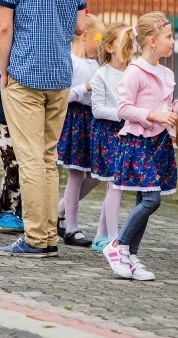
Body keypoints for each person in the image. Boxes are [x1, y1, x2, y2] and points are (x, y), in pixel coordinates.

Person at [0, 0, 87, 258]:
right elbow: (80, 27)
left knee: (30, 157)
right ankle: (47, 237)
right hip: (60, 75)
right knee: (48, 157)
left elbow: (4, 26)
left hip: (24, 72)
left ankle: (35, 238)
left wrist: (3, 70)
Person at [102, 11, 178, 280]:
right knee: (152, 200)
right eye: (169, 37)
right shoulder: (134, 71)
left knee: (145, 198)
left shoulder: (166, 72)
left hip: (159, 143)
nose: (173, 42)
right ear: (152, 41)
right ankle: (118, 245)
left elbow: (168, 107)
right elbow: (123, 108)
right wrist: (153, 115)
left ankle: (130, 255)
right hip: (138, 143)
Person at [56, 13, 104, 247]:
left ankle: (58, 211)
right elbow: (63, 96)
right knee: (76, 175)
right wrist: (86, 87)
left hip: (91, 120)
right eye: (98, 39)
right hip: (74, 119)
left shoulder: (95, 64)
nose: (100, 46)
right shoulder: (70, 61)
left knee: (96, 175)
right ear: (84, 36)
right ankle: (71, 228)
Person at [88, 21, 133, 252]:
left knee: (115, 185)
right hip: (108, 132)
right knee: (115, 183)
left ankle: (101, 236)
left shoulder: (134, 71)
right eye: (125, 41)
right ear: (109, 47)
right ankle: (114, 238)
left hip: (129, 132)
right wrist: (124, 113)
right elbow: (97, 109)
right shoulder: (102, 74)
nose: (130, 46)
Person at [0, 33, 24, 234]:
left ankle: (18, 210)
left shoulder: (24, 60)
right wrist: (10, 83)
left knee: (24, 164)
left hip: (20, 118)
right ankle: (4, 211)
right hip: (4, 120)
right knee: (12, 163)